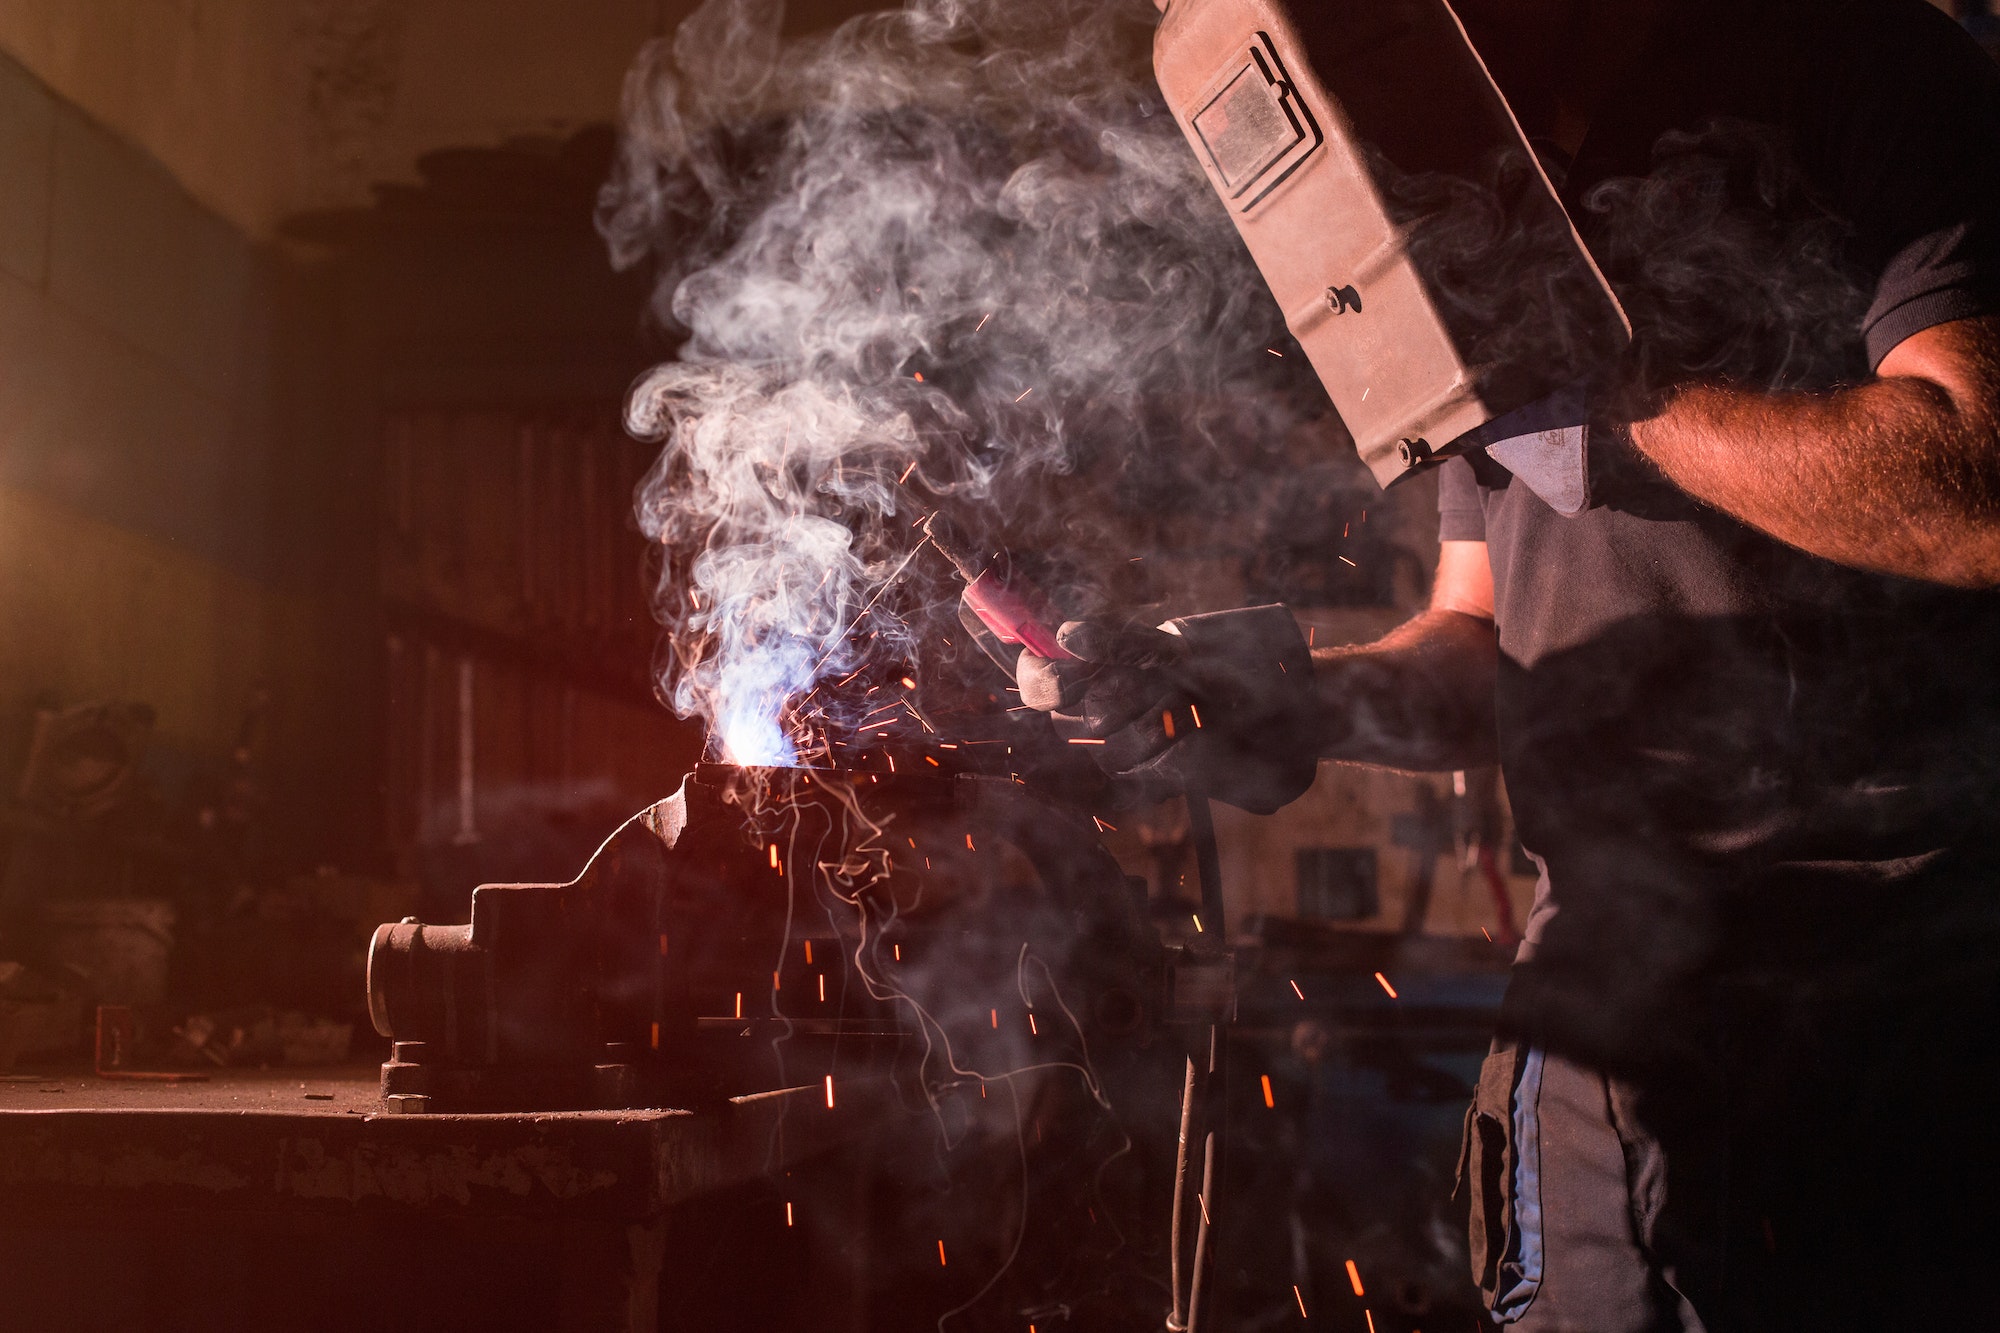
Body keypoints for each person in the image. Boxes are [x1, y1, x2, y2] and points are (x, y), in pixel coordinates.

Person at [1018, 0, 2000, 1326]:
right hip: (1606, 1029)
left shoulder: (1856, 59)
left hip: (1895, 1013)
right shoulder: (1469, 189)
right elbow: (1481, 638)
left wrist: (1622, 410)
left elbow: (1972, 486)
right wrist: (1283, 687)